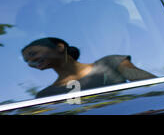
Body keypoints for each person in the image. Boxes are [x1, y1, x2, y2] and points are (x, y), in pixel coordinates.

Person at [21, 37, 156, 98]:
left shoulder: (110, 63)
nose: (31, 61)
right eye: (27, 60)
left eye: (33, 54)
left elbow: (152, 87)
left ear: (60, 47)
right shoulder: (46, 95)